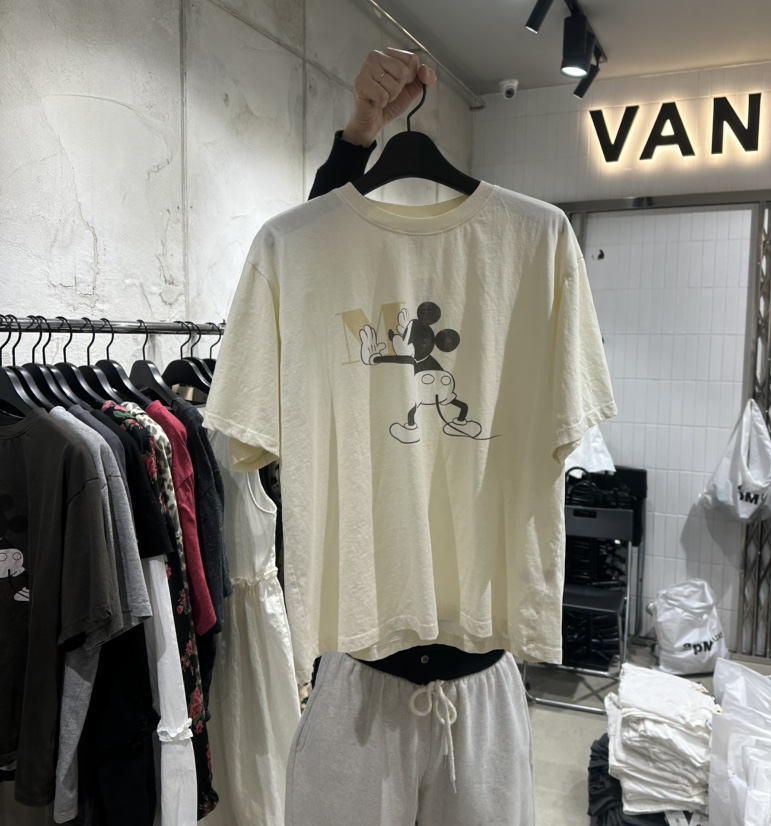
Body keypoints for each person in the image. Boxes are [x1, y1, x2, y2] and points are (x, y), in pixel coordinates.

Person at [287, 48, 535, 825]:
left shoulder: (534, 252)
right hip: (360, 674)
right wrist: (358, 135)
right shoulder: (331, 298)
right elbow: (312, 253)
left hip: (480, 680)